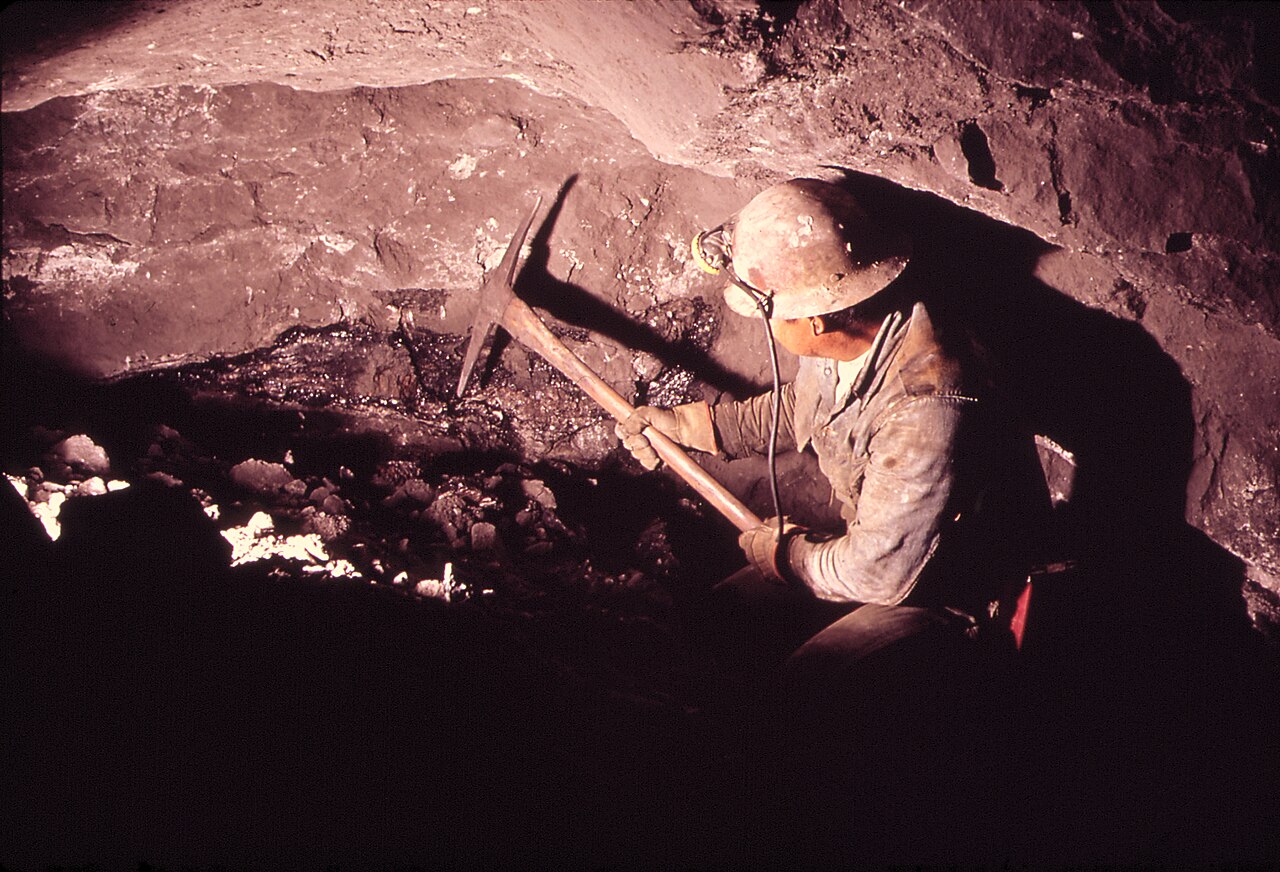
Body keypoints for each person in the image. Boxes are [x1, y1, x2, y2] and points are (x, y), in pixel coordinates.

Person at [617, 178, 1047, 672]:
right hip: (877, 543)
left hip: (946, 589)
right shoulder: (855, 326)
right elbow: (808, 403)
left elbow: (877, 573)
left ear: (814, 320)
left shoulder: (928, 407)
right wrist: (692, 427)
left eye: (770, 314)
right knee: (711, 621)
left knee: (804, 690)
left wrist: (790, 559)